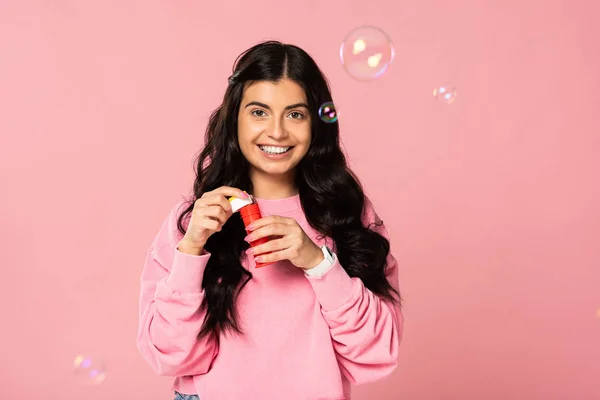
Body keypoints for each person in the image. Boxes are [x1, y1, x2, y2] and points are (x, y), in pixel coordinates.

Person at [136, 40, 403, 400]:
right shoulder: (193, 221)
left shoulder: (347, 215)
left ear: (317, 123)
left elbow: (376, 352)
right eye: (259, 112)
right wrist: (191, 250)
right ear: (235, 119)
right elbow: (170, 354)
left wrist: (318, 263)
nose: (276, 132)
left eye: (295, 114)